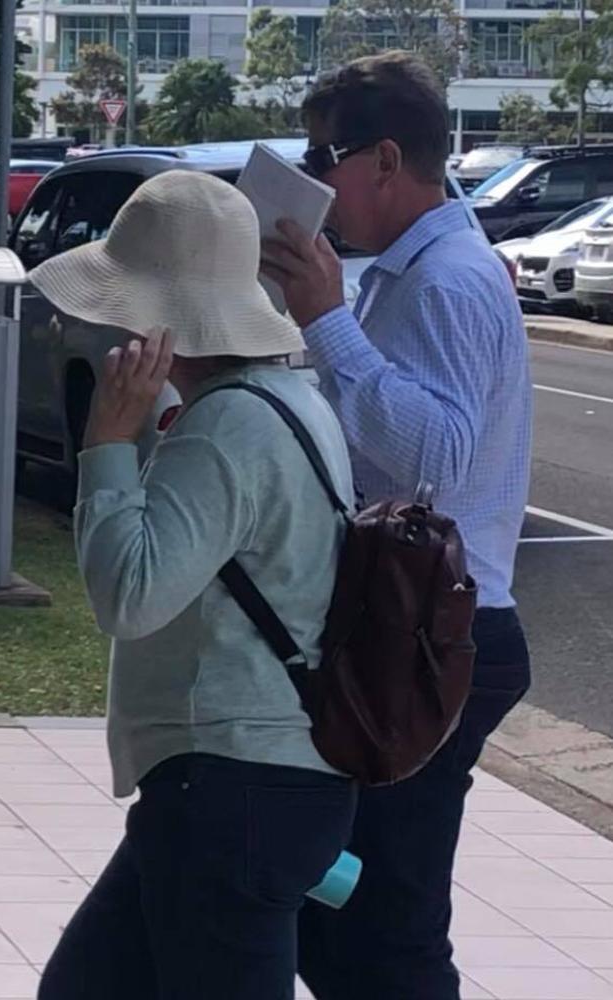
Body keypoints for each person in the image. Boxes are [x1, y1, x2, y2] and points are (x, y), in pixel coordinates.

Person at [30, 170, 358, 999]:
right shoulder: (288, 400)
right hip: (238, 782)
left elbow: (129, 598)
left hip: (234, 792)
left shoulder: (227, 427)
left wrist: (107, 441)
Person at [263, 50, 533, 1000]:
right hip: (408, 623)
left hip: (437, 635)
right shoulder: (412, 271)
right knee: (337, 918)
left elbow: (439, 459)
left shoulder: (449, 280)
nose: (309, 176)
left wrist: (329, 321)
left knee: (387, 929)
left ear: (384, 159)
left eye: (319, 154)